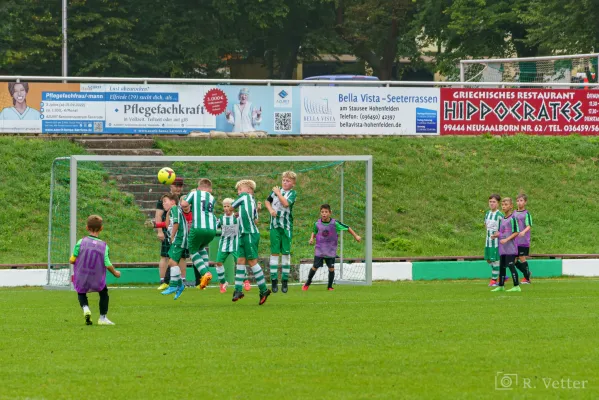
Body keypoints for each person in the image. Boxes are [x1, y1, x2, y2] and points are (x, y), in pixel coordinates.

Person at [70, 215, 120, 326]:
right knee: (103, 293)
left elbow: (72, 259)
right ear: (101, 229)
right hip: (96, 277)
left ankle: (85, 308)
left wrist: (75, 261)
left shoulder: (81, 242)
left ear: (87, 228)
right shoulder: (104, 246)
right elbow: (107, 264)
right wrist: (116, 273)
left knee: (81, 292)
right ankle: (102, 318)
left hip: (82, 275)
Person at [230, 179, 271, 304]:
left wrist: (232, 211)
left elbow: (231, 207)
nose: (238, 192)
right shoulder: (251, 202)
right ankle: (238, 290)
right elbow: (255, 220)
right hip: (244, 233)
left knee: (252, 261)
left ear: (248, 189)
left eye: (240, 189)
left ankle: (264, 289)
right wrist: (240, 215)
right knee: (240, 260)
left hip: (248, 233)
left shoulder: (244, 196)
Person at [303, 204, 361, 291]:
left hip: (330, 251)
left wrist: (356, 236)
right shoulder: (317, 223)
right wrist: (311, 238)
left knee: (331, 268)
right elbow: (314, 231)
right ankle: (307, 283)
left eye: (326, 212)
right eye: (322, 212)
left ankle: (330, 287)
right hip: (320, 250)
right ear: (320, 213)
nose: (324, 214)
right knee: (315, 266)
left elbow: (348, 228)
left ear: (330, 213)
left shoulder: (335, 223)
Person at [155, 177, 196, 290]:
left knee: (182, 256)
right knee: (165, 256)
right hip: (169, 230)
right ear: (171, 186)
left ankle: (182, 280)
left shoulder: (184, 198)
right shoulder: (164, 199)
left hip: (181, 232)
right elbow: (159, 215)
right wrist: (160, 231)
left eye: (180, 186)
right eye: (176, 185)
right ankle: (163, 280)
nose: (178, 188)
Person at [181, 178, 217, 290]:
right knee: (201, 248)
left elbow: (184, 204)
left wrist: (186, 199)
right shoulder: (212, 198)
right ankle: (204, 279)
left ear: (198, 187)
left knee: (192, 250)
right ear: (210, 189)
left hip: (198, 228)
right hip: (211, 230)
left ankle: (205, 273)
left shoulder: (194, 193)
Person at [264, 171, 297, 293]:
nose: (285, 182)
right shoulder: (275, 191)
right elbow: (267, 201)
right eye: (283, 180)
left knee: (286, 253)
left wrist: (278, 193)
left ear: (293, 183)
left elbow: (286, 203)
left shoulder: (292, 193)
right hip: (274, 226)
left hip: (286, 226)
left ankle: (284, 281)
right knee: (274, 253)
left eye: (288, 181)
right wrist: (270, 209)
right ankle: (273, 281)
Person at [159, 193, 189, 300]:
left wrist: (172, 236)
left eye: (165, 201)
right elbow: (168, 226)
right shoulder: (171, 211)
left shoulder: (175, 209)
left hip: (179, 238)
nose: (163, 204)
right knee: (173, 262)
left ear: (173, 202)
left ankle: (173, 286)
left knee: (172, 262)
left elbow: (176, 223)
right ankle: (180, 285)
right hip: (177, 238)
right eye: (162, 202)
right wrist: (167, 215)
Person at [491, 198, 521, 292]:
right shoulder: (502, 219)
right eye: (503, 205)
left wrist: (507, 239)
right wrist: (497, 235)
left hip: (510, 248)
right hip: (503, 248)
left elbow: (516, 232)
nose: (504, 207)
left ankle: (516, 286)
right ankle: (501, 285)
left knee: (511, 266)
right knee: (502, 267)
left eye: (506, 204)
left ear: (511, 206)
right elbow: (502, 232)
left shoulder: (513, 218)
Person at [215, 198, 239, 293]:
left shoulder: (237, 217)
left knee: (239, 263)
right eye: (224, 206)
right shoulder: (221, 219)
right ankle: (223, 283)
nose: (226, 208)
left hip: (235, 244)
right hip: (223, 244)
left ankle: (245, 281)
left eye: (228, 206)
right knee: (218, 263)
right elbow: (213, 227)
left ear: (232, 207)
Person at [484, 194, 503, 287]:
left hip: (496, 243)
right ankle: (500, 275)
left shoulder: (500, 215)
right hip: (488, 241)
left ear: (498, 203)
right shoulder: (487, 213)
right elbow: (486, 225)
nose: (491, 203)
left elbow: (505, 229)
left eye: (494, 202)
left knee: (495, 261)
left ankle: (493, 280)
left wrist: (498, 234)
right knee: (488, 260)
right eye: (490, 201)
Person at [514, 193, 533, 284]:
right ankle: (527, 273)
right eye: (517, 201)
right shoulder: (513, 213)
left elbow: (529, 225)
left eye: (521, 200)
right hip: (514, 240)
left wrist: (523, 232)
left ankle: (527, 278)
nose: (519, 202)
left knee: (522, 257)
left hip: (523, 240)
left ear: (525, 202)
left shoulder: (526, 214)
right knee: (513, 260)